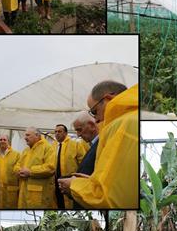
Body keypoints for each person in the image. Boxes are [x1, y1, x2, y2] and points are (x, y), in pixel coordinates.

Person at [58, 81, 139, 209]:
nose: (96, 119)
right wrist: (93, 180)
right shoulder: (131, 119)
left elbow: (109, 196)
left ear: (108, 99)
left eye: (95, 111)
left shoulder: (122, 125)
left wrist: (74, 185)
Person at [13, 127, 55, 208]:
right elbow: (17, 165)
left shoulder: (47, 148)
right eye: (25, 135)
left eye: (28, 135)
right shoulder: (26, 151)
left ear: (37, 135)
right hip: (23, 193)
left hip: (39, 195)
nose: (25, 138)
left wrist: (30, 172)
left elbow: (50, 168)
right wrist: (18, 171)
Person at [53, 124, 87, 209]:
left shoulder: (75, 144)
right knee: (58, 202)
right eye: (55, 132)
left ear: (66, 133)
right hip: (55, 182)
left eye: (60, 131)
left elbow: (83, 163)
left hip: (70, 182)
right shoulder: (53, 146)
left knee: (70, 204)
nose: (57, 133)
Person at [0, 134, 21, 209]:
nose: (2, 141)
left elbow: (19, 170)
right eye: (0, 140)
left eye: (4, 140)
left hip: (11, 189)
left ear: (9, 142)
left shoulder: (17, 155)